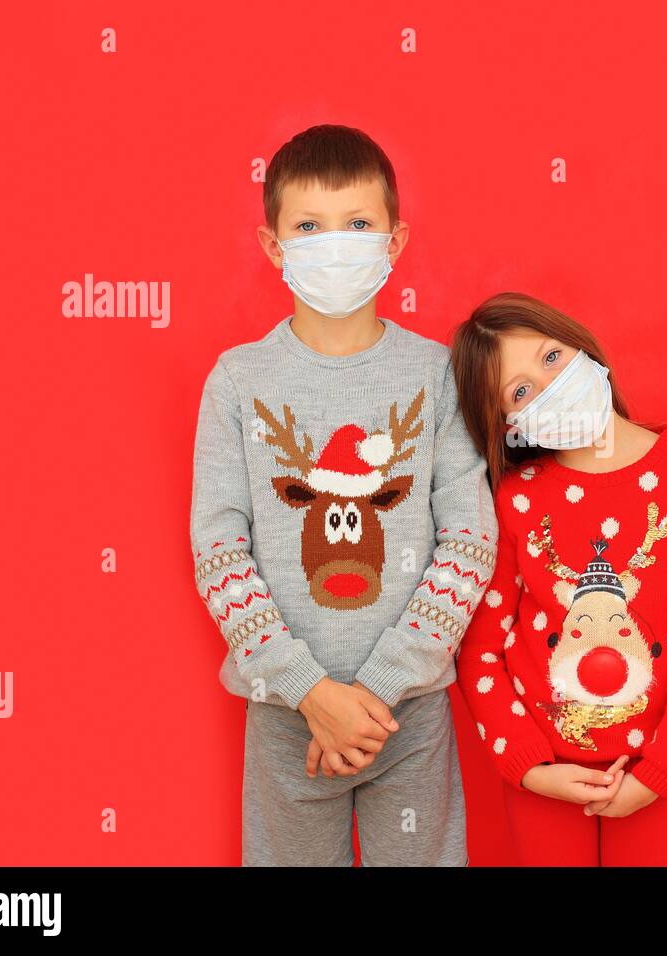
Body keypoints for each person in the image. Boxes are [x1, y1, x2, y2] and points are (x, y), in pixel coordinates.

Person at [189, 124, 497, 866]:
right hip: (285, 714)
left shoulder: (436, 375)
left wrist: (386, 685)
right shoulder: (237, 380)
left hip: (412, 718)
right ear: (273, 245)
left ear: (394, 240)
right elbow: (219, 551)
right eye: (309, 226)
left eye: (358, 224)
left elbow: (469, 540)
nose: (336, 243)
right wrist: (309, 692)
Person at [449, 292, 667, 865]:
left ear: (581, 346)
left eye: (551, 358)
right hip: (546, 779)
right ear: (507, 423)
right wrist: (529, 768)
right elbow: (480, 650)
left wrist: (660, 772)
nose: (548, 384)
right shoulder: (517, 497)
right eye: (520, 390)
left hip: (657, 778)